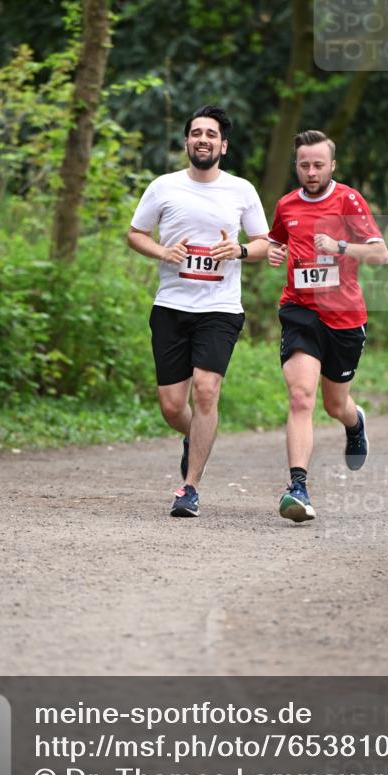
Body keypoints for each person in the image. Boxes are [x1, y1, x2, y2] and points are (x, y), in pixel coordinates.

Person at [128, 104, 269, 518]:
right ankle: (197, 438)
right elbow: (136, 234)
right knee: (173, 407)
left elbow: (264, 242)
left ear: (223, 145)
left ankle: (189, 489)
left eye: (211, 134)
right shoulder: (163, 187)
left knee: (207, 389)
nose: (202, 139)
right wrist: (162, 251)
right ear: (187, 141)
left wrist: (239, 249)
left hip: (220, 308)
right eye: (196, 133)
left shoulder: (241, 190)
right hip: (171, 305)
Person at [268, 129, 388, 523]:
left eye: (318, 164)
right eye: (304, 164)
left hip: (344, 317)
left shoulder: (348, 199)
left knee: (335, 404)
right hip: (300, 312)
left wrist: (338, 247)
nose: (311, 171)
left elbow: (380, 255)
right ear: (297, 165)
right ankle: (298, 487)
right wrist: (274, 252)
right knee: (301, 396)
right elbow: (277, 242)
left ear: (331, 165)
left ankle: (355, 424)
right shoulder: (286, 204)